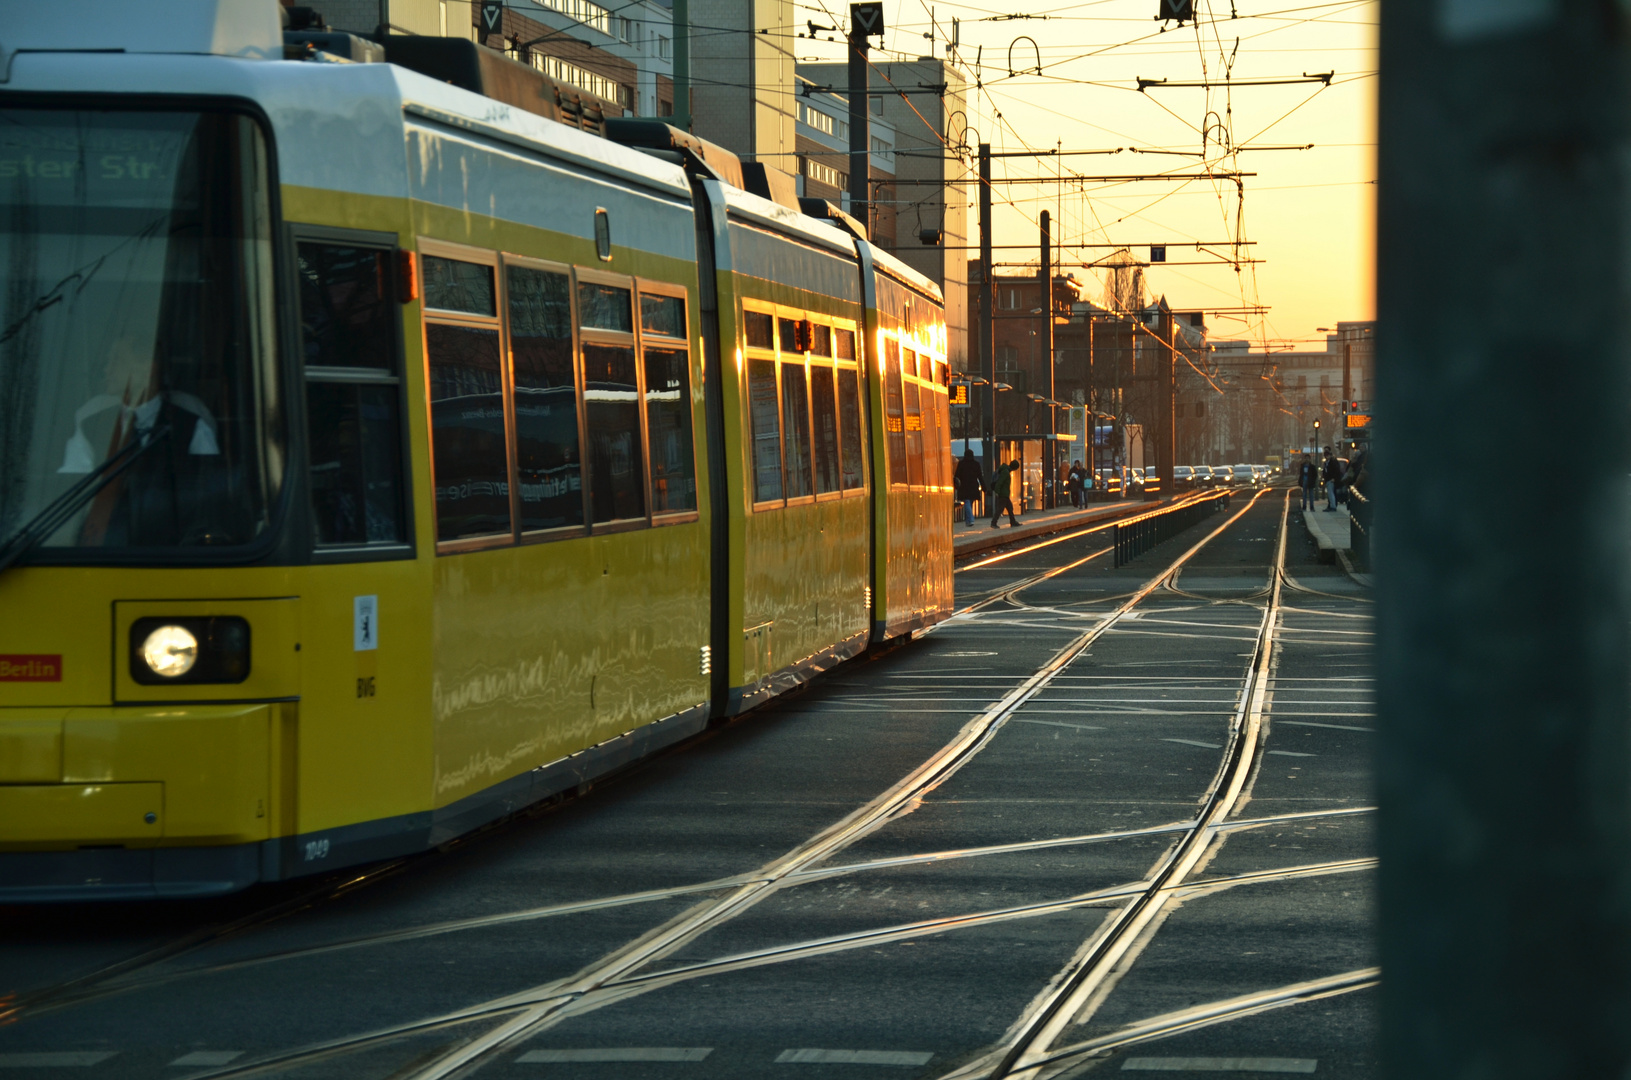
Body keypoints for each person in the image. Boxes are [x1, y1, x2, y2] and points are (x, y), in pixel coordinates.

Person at [954, 448, 983, 527]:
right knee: (969, 503)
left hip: (964, 487)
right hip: (973, 487)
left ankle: (970, 520)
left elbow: (957, 475)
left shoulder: (961, 464)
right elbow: (980, 476)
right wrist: (984, 487)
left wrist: (956, 484)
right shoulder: (976, 464)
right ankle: (969, 520)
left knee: (967, 503)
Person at [989, 459, 1020, 528]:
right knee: (1000, 509)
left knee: (1010, 508)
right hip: (1003, 494)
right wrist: (997, 491)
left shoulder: (1005, 471)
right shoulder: (1005, 472)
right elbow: (1000, 482)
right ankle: (993, 523)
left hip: (1005, 493)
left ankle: (1013, 521)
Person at [1322, 446, 1341, 511]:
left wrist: (1334, 478)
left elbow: (1336, 471)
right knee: (1330, 494)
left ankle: (1333, 506)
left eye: (1327, 456)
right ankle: (1331, 505)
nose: (1326, 457)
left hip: (1331, 480)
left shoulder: (1332, 462)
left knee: (1331, 493)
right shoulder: (1326, 463)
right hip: (1328, 479)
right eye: (1325, 456)